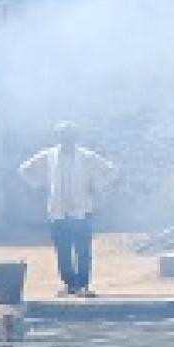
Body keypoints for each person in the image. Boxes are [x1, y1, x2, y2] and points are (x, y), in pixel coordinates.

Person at [17, 120, 117, 296]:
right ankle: (70, 284)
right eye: (63, 136)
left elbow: (111, 170)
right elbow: (24, 170)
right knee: (63, 252)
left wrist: (96, 185)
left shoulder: (86, 156)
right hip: (58, 211)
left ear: (76, 137)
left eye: (70, 136)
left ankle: (83, 285)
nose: (67, 139)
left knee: (83, 251)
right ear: (58, 137)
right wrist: (38, 186)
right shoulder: (49, 156)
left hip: (82, 211)